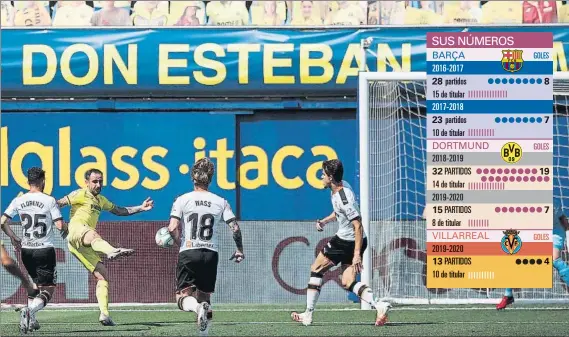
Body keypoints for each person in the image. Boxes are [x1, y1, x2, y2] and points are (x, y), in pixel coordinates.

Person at [291, 159, 391, 326]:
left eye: (323, 174)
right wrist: (325, 221)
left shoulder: (344, 197)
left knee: (316, 269)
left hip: (347, 242)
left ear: (330, 177)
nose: (321, 177)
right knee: (347, 281)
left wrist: (357, 255)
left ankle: (308, 314)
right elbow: (340, 212)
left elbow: (358, 224)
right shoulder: (340, 187)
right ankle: (379, 305)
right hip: (354, 241)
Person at [56, 168, 154, 326]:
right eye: (94, 181)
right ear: (86, 183)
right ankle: (111, 251)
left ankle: (104, 314)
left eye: (100, 181)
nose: (98, 184)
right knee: (93, 234)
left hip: (79, 245)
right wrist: (59, 223)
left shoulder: (101, 200)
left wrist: (140, 208)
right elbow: (57, 203)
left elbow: (120, 211)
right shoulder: (80, 193)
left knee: (102, 276)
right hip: (76, 230)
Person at [168, 158, 244, 336]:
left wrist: (180, 242)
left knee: (182, 296)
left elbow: (172, 228)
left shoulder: (182, 199)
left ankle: (196, 308)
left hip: (189, 251)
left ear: (193, 178)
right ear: (210, 178)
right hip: (210, 253)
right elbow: (235, 228)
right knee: (205, 296)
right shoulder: (220, 201)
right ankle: (204, 333)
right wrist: (240, 249)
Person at [1, 167, 66, 333]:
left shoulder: (18, 200)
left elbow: (2, 222)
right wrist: (66, 229)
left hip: (26, 250)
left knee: (35, 285)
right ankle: (29, 311)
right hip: (44, 250)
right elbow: (59, 225)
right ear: (43, 181)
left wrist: (14, 239)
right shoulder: (49, 200)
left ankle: (31, 321)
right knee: (49, 289)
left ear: (28, 182)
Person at [497, 199, 569, 309]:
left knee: (554, 259)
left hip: (555, 232)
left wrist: (567, 233)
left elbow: (562, 218)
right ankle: (508, 295)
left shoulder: (551, 203)